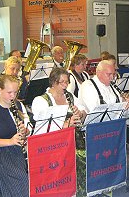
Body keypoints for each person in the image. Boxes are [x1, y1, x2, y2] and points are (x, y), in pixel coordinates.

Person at [31, 68, 86, 196]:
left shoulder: (70, 96)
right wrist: (67, 124)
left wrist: (80, 113)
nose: (66, 85)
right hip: (53, 145)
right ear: (53, 82)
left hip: (73, 140)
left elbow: (84, 111)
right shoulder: (41, 100)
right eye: (62, 82)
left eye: (67, 82)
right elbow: (43, 129)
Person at [0, 75, 29, 197]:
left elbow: (29, 128)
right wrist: (11, 141)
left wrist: (26, 131)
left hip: (16, 149)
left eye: (15, 92)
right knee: (21, 179)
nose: (13, 96)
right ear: (0, 90)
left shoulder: (19, 106)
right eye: (9, 92)